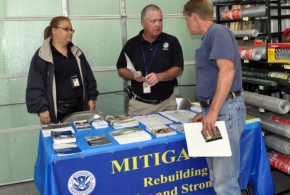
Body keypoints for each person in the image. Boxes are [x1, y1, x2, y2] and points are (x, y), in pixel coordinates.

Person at [183, 1, 246, 195]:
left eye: (186, 20)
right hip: (216, 110)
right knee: (217, 176)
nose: (187, 25)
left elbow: (227, 71)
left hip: (224, 110)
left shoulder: (218, 33)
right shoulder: (209, 37)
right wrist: (206, 110)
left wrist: (214, 110)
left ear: (194, 16)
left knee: (225, 180)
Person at [26, 16, 99, 125]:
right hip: (57, 113)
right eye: (66, 29)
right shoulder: (43, 55)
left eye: (71, 30)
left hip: (80, 110)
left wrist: (91, 98)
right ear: (54, 30)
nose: (70, 32)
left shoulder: (76, 53)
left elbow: (89, 78)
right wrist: (42, 108)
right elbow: (35, 84)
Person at [116, 4, 184, 116]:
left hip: (167, 105)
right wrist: (134, 76)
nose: (158, 24)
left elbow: (178, 69)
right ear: (143, 22)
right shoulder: (132, 44)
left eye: (160, 20)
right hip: (139, 106)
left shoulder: (172, 41)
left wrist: (159, 77)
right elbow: (121, 68)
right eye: (153, 21)